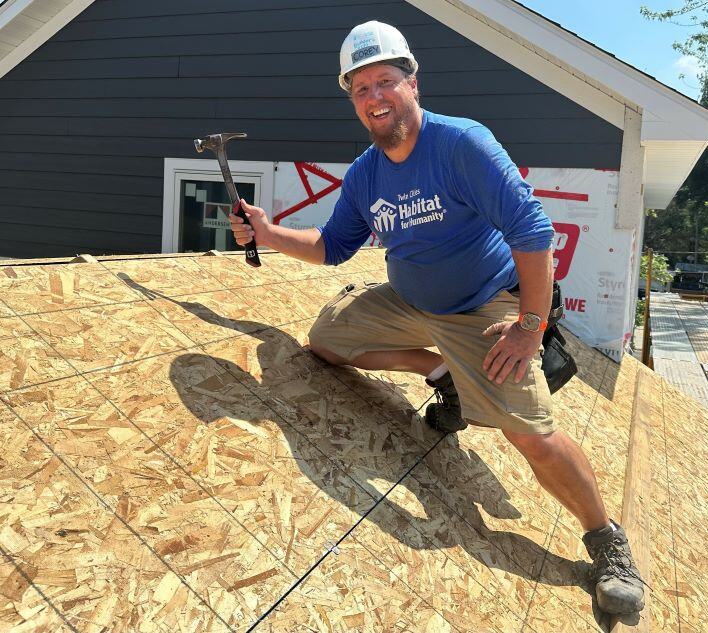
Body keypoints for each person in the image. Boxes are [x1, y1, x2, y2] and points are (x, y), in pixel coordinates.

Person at [228, 20, 644, 615]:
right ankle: (441, 370)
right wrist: (268, 233)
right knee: (325, 342)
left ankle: (607, 541)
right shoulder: (367, 171)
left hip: (484, 305)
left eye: (385, 81)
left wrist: (529, 327)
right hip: (410, 304)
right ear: (352, 99)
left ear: (413, 83)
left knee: (529, 431)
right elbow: (332, 246)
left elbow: (532, 231)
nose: (375, 97)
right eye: (360, 88)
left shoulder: (460, 145)